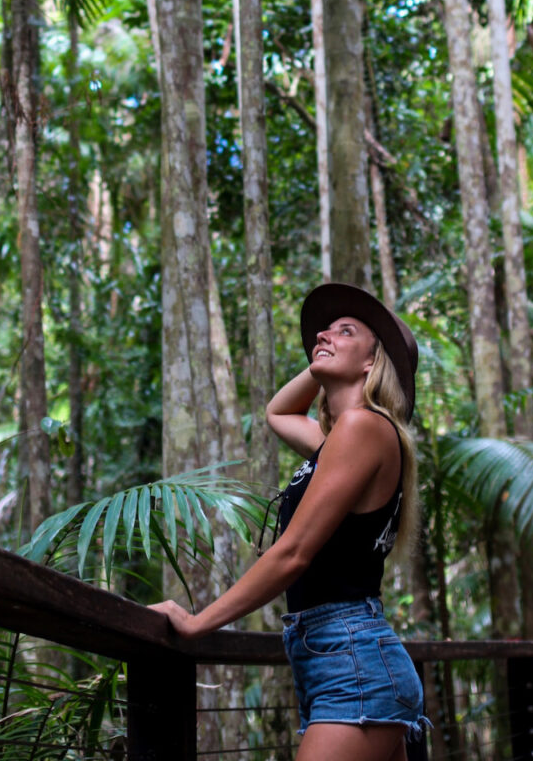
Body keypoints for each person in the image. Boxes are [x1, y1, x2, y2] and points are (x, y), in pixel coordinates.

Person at [150, 282, 429, 761]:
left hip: (353, 664)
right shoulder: (339, 439)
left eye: (346, 331)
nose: (325, 333)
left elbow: (295, 552)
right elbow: (278, 412)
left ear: (372, 362)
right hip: (342, 660)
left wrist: (198, 624)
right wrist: (325, 356)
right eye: (325, 329)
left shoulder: (365, 429)